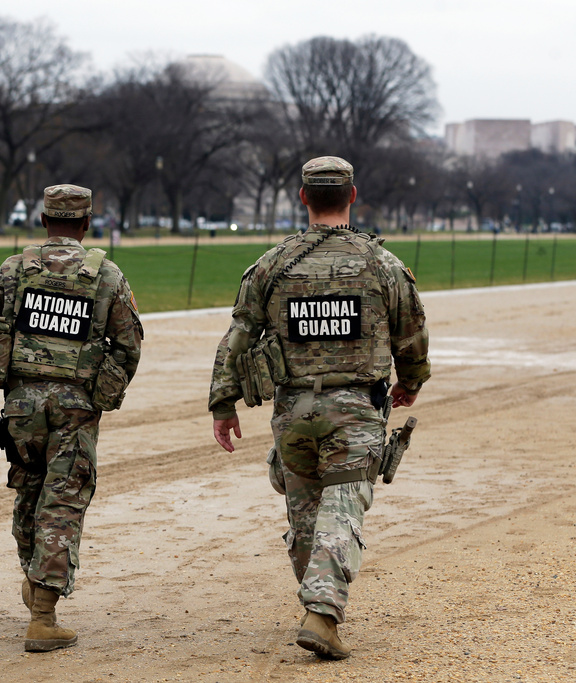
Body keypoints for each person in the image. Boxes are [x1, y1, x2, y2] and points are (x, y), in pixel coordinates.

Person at [209, 156, 430, 660]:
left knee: (305, 514)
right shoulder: (383, 264)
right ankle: (322, 613)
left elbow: (238, 337)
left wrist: (224, 403)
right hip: (354, 409)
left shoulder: (271, 264)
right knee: (342, 506)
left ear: (303, 197)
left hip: (292, 413)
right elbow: (411, 334)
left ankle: (314, 602)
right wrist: (412, 382)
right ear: (353, 196)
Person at [0, 184, 143, 652]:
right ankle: (43, 615)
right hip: (74, 406)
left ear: (44, 220)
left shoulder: (13, 270)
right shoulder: (106, 275)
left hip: (22, 404)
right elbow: (128, 346)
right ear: (87, 223)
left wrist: (12, 384)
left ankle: (34, 584)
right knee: (63, 501)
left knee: (28, 491)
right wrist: (98, 393)